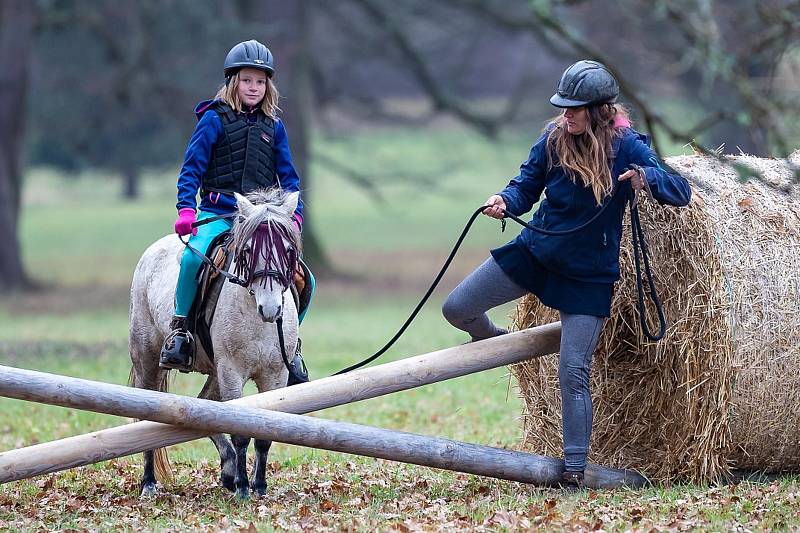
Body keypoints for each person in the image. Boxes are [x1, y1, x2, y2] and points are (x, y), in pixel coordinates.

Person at [441, 60, 691, 488]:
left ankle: (575, 470)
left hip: (588, 276)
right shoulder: (553, 139)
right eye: (564, 106)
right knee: (456, 307)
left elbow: (681, 190)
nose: (566, 114)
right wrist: (505, 200)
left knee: (573, 373)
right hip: (535, 253)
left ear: (598, 110)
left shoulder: (628, 146)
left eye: (575, 108)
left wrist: (647, 177)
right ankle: (494, 340)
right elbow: (526, 186)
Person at [160, 39, 312, 377]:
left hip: (261, 219)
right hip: (218, 214)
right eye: (247, 81)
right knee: (190, 261)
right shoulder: (213, 120)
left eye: (260, 82)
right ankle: (181, 332)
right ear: (233, 82)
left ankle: (292, 344)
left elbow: (289, 177)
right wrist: (186, 210)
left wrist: (294, 215)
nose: (254, 88)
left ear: (267, 85)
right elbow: (191, 170)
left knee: (305, 278)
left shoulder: (274, 127)